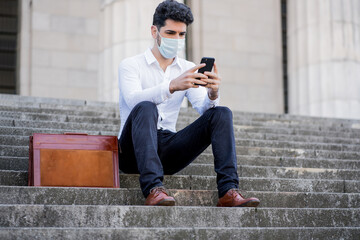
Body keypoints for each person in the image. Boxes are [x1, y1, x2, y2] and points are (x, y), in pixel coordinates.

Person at [117, 0, 260, 207]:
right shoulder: (130, 65)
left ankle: (228, 191)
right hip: (132, 149)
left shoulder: (188, 68)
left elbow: (205, 110)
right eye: (170, 33)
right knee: (147, 106)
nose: (176, 39)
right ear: (154, 31)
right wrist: (172, 86)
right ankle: (153, 189)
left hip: (167, 147)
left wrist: (213, 92)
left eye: (181, 34)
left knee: (221, 113)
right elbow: (133, 100)